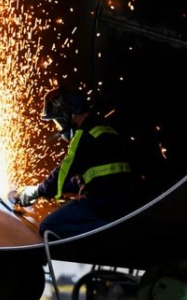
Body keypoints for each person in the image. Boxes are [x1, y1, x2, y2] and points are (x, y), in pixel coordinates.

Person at [7, 86, 134, 239]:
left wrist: (36, 192)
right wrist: (49, 191)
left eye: (57, 120)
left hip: (102, 203)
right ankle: (108, 227)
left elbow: (62, 173)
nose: (58, 126)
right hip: (119, 199)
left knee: (48, 226)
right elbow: (86, 176)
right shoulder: (104, 129)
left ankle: (107, 231)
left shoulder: (82, 136)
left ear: (69, 113)